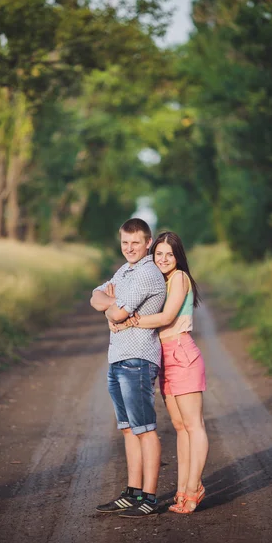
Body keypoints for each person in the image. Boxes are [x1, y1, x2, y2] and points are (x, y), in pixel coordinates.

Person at [109, 231, 208, 514]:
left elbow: (165, 318)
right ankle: (182, 490)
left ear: (178, 257)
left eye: (170, 254)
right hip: (164, 357)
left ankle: (194, 488)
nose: (164, 259)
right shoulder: (159, 279)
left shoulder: (179, 278)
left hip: (182, 354)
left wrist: (127, 321)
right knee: (180, 427)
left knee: (194, 425)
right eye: (159, 254)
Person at [90, 218, 166, 518]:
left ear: (148, 242)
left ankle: (149, 498)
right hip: (117, 357)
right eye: (125, 243)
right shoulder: (125, 270)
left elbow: (119, 313)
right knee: (128, 430)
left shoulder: (147, 273)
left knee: (145, 430)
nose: (129, 248)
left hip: (138, 359)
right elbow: (95, 297)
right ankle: (133, 492)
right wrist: (110, 301)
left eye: (135, 243)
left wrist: (112, 303)